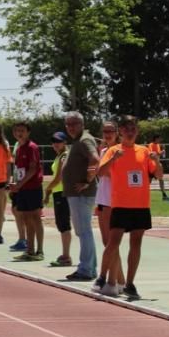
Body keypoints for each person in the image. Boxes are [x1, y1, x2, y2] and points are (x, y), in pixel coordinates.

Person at [95, 115, 161, 300]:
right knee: (113, 242)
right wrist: (113, 158)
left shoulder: (145, 151)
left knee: (136, 243)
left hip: (140, 204)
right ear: (121, 132)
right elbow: (100, 172)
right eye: (126, 129)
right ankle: (101, 277)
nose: (130, 132)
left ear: (137, 131)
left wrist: (158, 161)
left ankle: (130, 283)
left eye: (133, 129)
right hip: (121, 204)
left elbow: (159, 174)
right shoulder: (114, 150)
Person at [61, 111, 100, 283]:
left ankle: (86, 269)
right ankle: (89, 267)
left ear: (82, 124)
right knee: (83, 231)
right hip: (77, 194)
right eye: (68, 124)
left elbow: (95, 159)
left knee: (83, 231)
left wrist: (87, 180)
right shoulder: (78, 141)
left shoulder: (84, 140)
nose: (71, 127)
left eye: (74, 123)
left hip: (82, 194)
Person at [92, 121, 125, 294]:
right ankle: (121, 281)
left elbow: (107, 173)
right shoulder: (104, 151)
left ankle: (113, 282)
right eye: (105, 131)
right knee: (108, 242)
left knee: (112, 242)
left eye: (111, 131)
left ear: (117, 132)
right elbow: (100, 173)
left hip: (115, 199)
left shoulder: (120, 151)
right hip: (103, 198)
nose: (107, 134)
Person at [9, 121, 44, 261]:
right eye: (17, 130)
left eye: (22, 130)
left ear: (28, 132)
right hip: (22, 188)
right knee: (26, 219)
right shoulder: (18, 149)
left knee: (35, 218)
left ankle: (39, 250)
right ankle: (29, 250)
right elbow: (18, 170)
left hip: (33, 187)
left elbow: (33, 169)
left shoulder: (32, 147)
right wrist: (15, 184)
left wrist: (19, 184)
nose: (19, 133)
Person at [43, 132, 72, 267]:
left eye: (59, 141)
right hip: (59, 192)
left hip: (62, 192)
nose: (55, 144)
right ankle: (65, 254)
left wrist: (47, 190)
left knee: (64, 224)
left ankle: (66, 255)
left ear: (65, 142)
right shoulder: (59, 156)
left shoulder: (64, 156)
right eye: (54, 141)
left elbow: (59, 177)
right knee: (62, 224)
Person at [148, 134, 169, 201]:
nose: (160, 140)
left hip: (157, 165)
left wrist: (162, 152)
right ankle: (142, 195)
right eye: (159, 138)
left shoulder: (158, 145)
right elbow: (152, 154)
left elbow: (158, 154)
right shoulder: (151, 144)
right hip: (151, 165)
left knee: (161, 179)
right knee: (148, 182)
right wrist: (161, 153)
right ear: (156, 138)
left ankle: (164, 196)